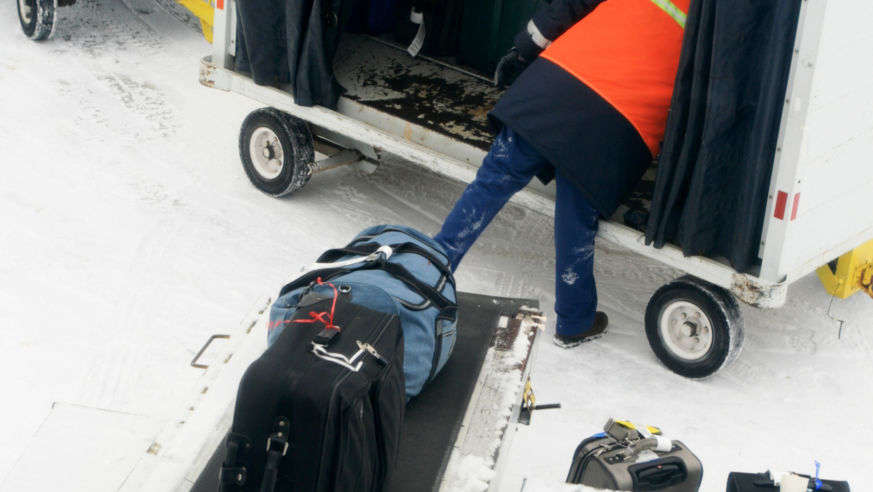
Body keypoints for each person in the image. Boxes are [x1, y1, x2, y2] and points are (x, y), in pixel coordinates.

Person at [433, 0, 690, 348]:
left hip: (557, 82)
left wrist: (523, 47)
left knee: (491, 182)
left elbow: (572, 4)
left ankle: (427, 275)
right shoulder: (717, 16)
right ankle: (574, 320)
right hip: (620, 120)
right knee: (576, 217)